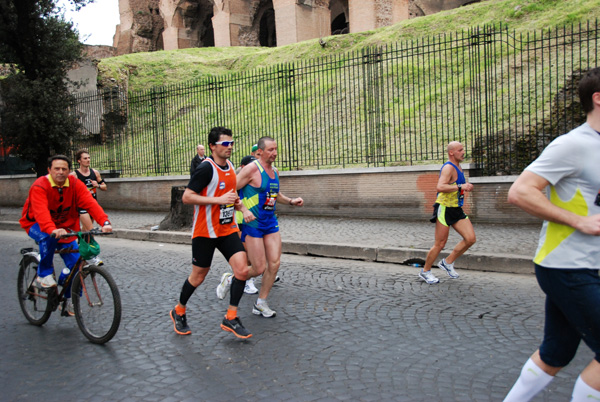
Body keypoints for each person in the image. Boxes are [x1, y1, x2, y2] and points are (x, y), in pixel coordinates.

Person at [503, 67, 600, 402]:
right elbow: (520, 192)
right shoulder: (573, 144)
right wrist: (580, 221)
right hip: (568, 266)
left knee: (556, 353)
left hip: (589, 266)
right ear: (598, 99)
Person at [170, 127, 254, 339]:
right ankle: (179, 310)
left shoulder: (231, 167)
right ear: (212, 146)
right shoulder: (206, 169)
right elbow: (187, 197)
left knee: (242, 270)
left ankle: (231, 317)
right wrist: (217, 201)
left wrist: (242, 209)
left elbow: (232, 196)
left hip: (227, 229)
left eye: (232, 143)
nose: (230, 147)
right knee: (198, 277)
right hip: (205, 232)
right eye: (225, 144)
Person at [216, 136, 303, 318]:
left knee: (275, 263)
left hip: (270, 222)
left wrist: (290, 201)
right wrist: (243, 208)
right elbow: (229, 190)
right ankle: (231, 279)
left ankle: (261, 303)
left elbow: (274, 193)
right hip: (252, 223)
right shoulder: (251, 169)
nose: (275, 153)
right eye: (271, 150)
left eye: (276, 149)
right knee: (258, 268)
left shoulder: (275, 172)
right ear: (260, 152)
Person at [19, 155, 112, 311]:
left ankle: (69, 300)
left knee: (77, 267)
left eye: (64, 169)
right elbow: (41, 213)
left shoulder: (75, 185)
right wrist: (52, 229)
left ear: (69, 171)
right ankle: (44, 275)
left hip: (65, 228)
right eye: (56, 169)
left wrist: (105, 222)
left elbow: (90, 203)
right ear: (49, 170)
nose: (60, 172)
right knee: (48, 237)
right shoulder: (40, 186)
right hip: (36, 224)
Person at [419, 141, 476, 284]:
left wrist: (464, 188)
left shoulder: (458, 166)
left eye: (463, 149)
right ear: (452, 152)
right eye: (460, 150)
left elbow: (455, 186)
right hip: (444, 208)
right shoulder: (448, 168)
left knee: (470, 239)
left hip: (456, 208)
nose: (463, 152)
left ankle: (447, 262)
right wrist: (461, 186)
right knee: (440, 243)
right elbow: (440, 187)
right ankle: (425, 271)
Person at [72, 149, 107, 266]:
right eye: (85, 158)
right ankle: (92, 256)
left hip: (92, 204)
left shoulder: (95, 173)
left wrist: (98, 185)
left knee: (86, 231)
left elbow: (104, 186)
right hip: (81, 205)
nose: (88, 160)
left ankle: (82, 251)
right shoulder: (74, 175)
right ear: (79, 161)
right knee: (90, 228)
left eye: (89, 158)